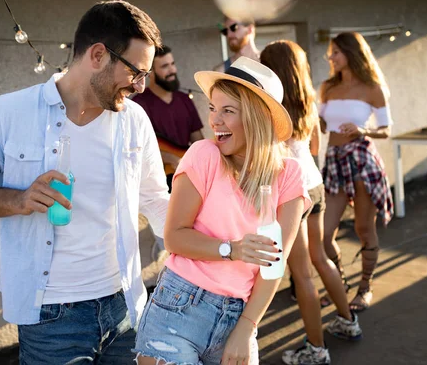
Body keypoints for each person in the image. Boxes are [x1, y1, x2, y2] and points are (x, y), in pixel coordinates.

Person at [0, 0, 170, 365]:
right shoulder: (9, 112)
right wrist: (18, 200)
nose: (142, 86)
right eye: (136, 72)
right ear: (98, 55)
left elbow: (156, 200)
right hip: (51, 319)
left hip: (126, 306)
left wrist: (208, 247)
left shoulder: (135, 121)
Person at [133, 57, 311, 365]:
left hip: (239, 314)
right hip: (178, 307)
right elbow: (174, 237)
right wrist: (233, 249)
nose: (214, 120)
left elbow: (273, 265)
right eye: (213, 109)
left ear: (258, 118)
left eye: (228, 111)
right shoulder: (204, 155)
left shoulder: (289, 174)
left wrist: (247, 327)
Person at [261, 40, 362, 365]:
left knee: (301, 274)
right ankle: (348, 322)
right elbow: (315, 146)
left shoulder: (271, 107)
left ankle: (316, 350)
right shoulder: (308, 100)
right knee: (321, 259)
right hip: (314, 184)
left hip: (292, 193)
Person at [319, 32, 394, 313]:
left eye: (336, 52)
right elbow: (323, 126)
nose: (331, 57)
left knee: (364, 229)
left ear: (351, 53)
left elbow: (386, 130)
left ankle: (365, 287)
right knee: (325, 234)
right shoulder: (327, 87)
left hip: (361, 160)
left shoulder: (373, 87)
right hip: (335, 162)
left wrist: (363, 130)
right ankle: (338, 284)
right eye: (330, 52)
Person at [132, 45, 204, 191]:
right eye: (165, 66)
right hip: (154, 183)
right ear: (150, 73)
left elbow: (198, 141)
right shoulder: (138, 105)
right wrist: (170, 158)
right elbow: (135, 149)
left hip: (186, 178)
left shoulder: (185, 100)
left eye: (172, 64)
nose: (172, 70)